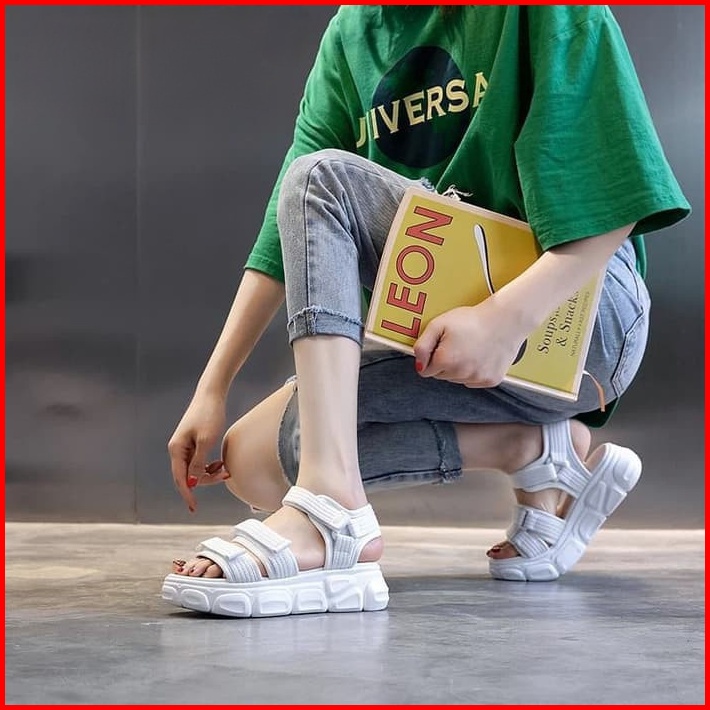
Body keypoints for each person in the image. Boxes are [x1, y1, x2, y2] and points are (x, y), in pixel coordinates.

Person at [161, 5, 690, 617]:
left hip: (580, 315)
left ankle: (332, 510)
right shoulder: (354, 30)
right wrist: (212, 388)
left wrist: (504, 319)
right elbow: (288, 232)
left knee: (321, 180)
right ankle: (532, 450)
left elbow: (619, 197)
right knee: (253, 462)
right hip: (448, 333)